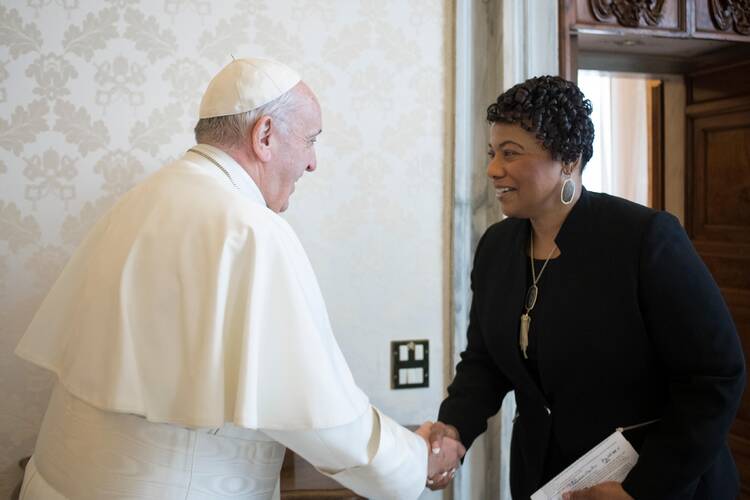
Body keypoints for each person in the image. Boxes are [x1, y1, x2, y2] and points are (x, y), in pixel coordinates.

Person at [15, 57, 464, 500]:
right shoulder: (249, 229)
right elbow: (320, 418)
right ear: (264, 135)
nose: (312, 164)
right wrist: (415, 460)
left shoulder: (144, 197)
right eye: (310, 141)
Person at [427, 75, 745, 499]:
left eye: (511, 153)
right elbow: (484, 363)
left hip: (659, 481)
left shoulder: (644, 239)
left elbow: (714, 376)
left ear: (568, 160)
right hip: (545, 477)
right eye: (491, 153)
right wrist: (452, 432)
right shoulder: (496, 247)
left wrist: (642, 490)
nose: (493, 169)